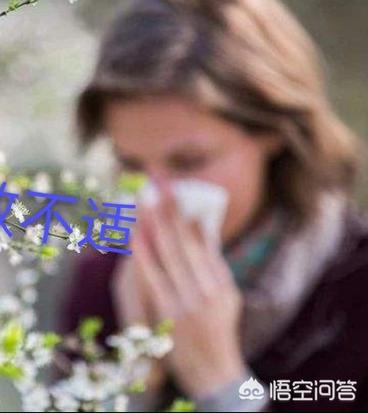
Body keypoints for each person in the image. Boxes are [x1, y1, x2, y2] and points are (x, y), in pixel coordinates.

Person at [61, 0, 368, 411]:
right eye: (132, 166)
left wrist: (221, 382)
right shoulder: (104, 280)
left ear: (274, 130)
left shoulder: (353, 287)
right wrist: (135, 377)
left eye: (188, 162)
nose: (156, 196)